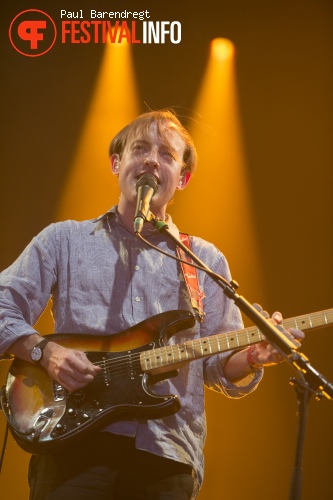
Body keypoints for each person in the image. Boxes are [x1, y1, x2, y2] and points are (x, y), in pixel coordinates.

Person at [0, 109, 304, 500]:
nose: (150, 160)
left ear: (183, 178)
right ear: (117, 163)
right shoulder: (64, 241)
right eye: (140, 149)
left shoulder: (205, 261)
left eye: (166, 154)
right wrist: (44, 351)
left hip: (167, 452)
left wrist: (253, 355)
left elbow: (214, 366)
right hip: (71, 442)